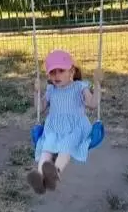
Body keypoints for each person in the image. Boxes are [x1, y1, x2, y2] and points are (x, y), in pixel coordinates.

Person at [27, 49, 102, 194]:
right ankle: (41, 179)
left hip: (75, 128)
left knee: (66, 146)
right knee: (46, 148)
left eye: (61, 71)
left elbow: (92, 104)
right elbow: (40, 108)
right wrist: (36, 92)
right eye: (52, 72)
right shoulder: (51, 89)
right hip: (54, 128)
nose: (56, 75)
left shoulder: (80, 87)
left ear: (71, 71)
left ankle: (55, 173)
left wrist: (97, 85)